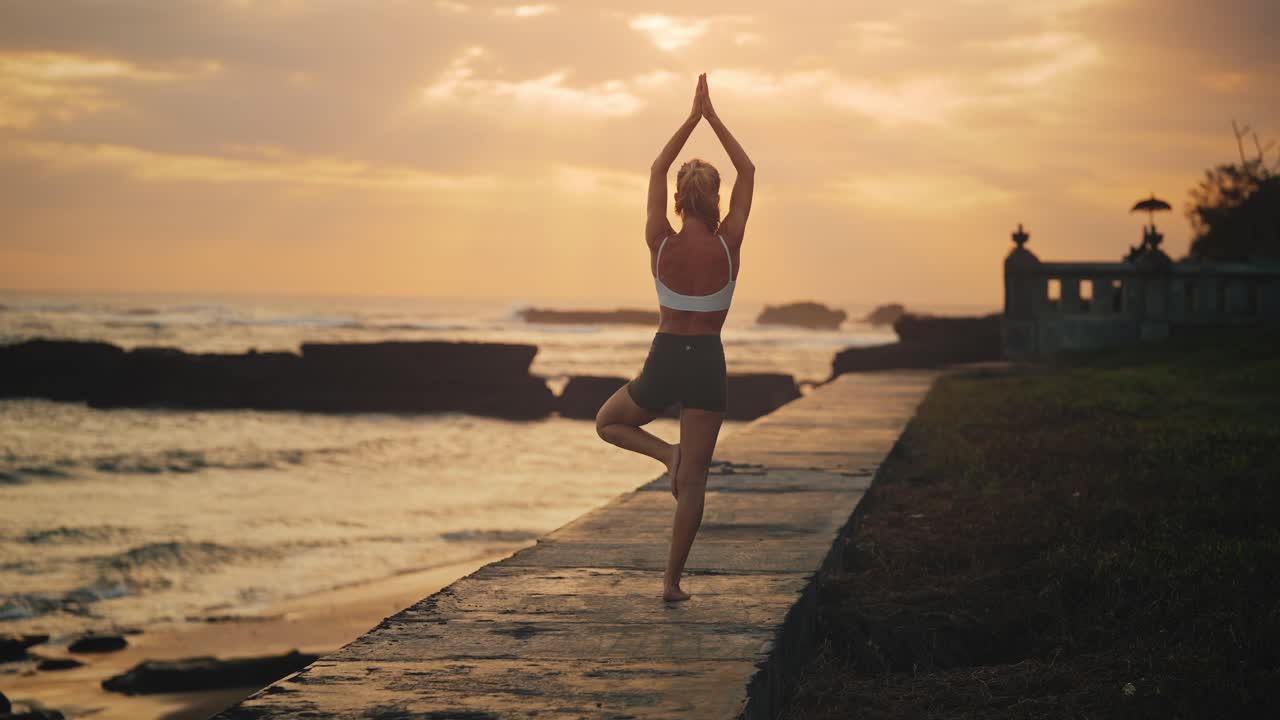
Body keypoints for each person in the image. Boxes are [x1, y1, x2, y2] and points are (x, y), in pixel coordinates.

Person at [595, 73, 755, 602]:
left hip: (666, 357)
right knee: (696, 483)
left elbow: (657, 166)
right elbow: (749, 168)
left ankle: (666, 454)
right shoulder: (729, 241)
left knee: (608, 423)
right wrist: (713, 118)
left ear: (679, 199)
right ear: (715, 200)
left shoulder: (658, 240)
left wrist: (690, 119)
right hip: (707, 360)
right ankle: (671, 583)